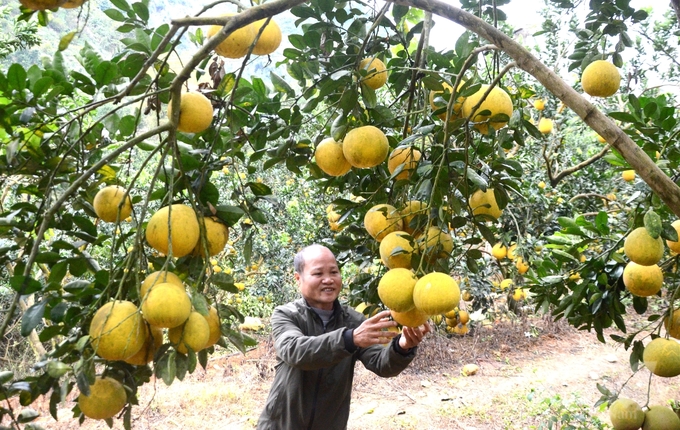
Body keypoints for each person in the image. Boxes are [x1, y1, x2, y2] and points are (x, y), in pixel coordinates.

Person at [257, 244, 431, 430]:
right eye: (318, 274)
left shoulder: (354, 321)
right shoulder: (286, 314)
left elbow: (381, 364)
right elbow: (294, 351)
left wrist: (401, 347)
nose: (328, 280)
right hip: (281, 424)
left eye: (334, 272)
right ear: (298, 279)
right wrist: (349, 339)